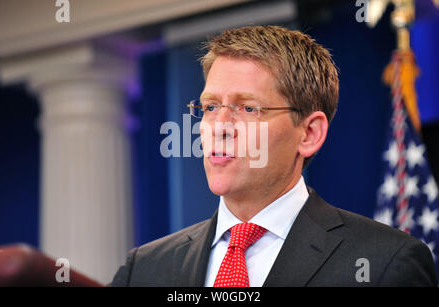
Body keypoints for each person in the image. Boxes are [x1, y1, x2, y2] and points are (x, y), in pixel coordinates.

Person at [111, 25, 437, 287]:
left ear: (309, 134)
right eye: (210, 107)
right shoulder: (143, 269)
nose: (219, 126)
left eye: (248, 108)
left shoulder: (385, 263)